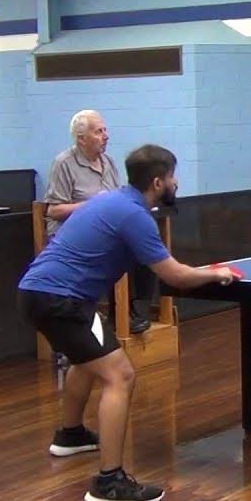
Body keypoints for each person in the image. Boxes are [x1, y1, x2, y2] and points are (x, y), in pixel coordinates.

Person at [18, 144, 241, 501]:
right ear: (158, 182)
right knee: (120, 376)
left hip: (38, 292)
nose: (176, 182)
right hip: (61, 300)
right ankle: (109, 483)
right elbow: (175, 276)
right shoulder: (135, 216)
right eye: (172, 177)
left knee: (86, 360)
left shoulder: (111, 200)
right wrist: (216, 273)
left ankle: (71, 435)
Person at [44, 110, 157, 334]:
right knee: (117, 251)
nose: (106, 136)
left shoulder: (108, 162)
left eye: (105, 130)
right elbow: (53, 210)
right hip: (74, 235)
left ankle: (135, 310)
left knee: (143, 244)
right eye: (99, 132)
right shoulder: (64, 163)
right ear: (81, 138)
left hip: (106, 230)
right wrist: (94, 204)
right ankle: (116, 315)